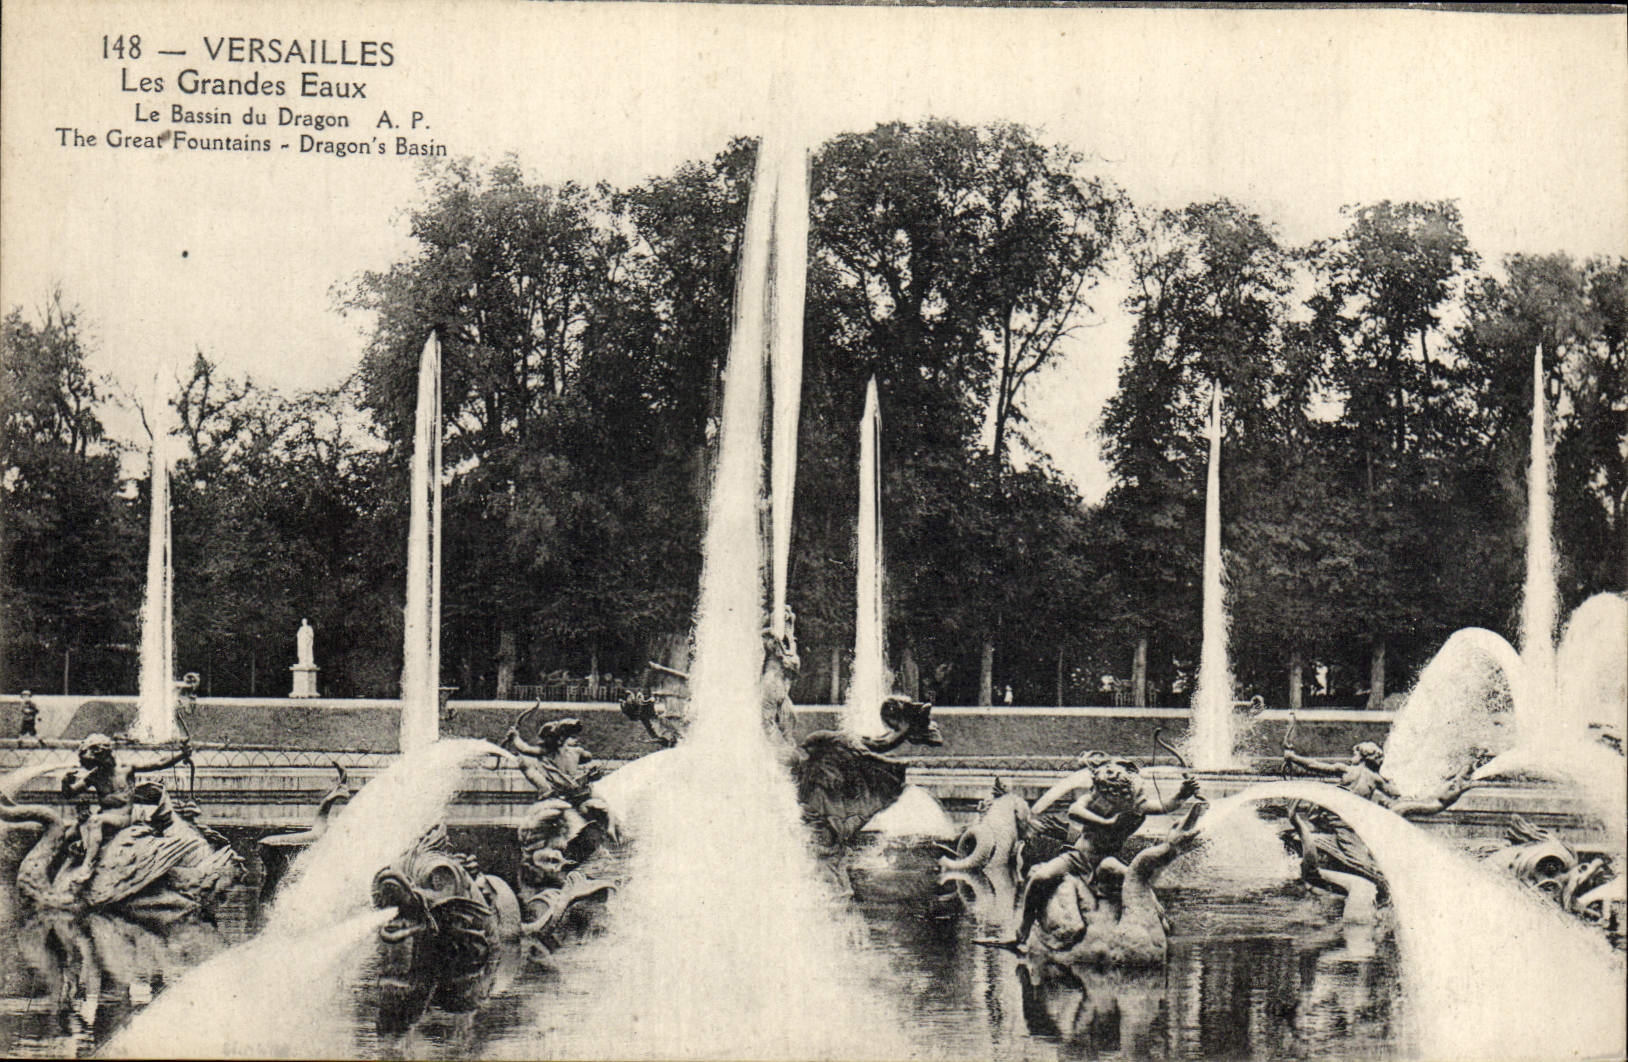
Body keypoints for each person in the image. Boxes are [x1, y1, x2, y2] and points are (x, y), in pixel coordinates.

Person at [980, 755, 1198, 950]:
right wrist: (1106, 821)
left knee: (1133, 879)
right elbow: (1074, 811)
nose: (1105, 796)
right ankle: (1020, 935)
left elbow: (1164, 806)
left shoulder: (1135, 805)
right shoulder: (1095, 800)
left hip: (1106, 860)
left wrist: (1183, 793)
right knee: (1040, 878)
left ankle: (1160, 917)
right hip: (1077, 857)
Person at [60, 733, 192, 891]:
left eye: (98, 761)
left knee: (95, 820)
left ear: (105, 754)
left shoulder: (126, 768)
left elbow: (159, 763)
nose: (98, 766)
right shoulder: (94, 776)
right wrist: (65, 782)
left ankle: (87, 867)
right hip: (104, 817)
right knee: (68, 834)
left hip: (121, 818)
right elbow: (70, 793)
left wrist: (181, 755)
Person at [1283, 740, 1399, 807]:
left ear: (1362, 757)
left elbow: (1313, 765)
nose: (1353, 757)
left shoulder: (1345, 769)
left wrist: (1292, 757)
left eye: (1355, 754)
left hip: (1336, 811)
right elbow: (1395, 794)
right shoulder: (1376, 779)